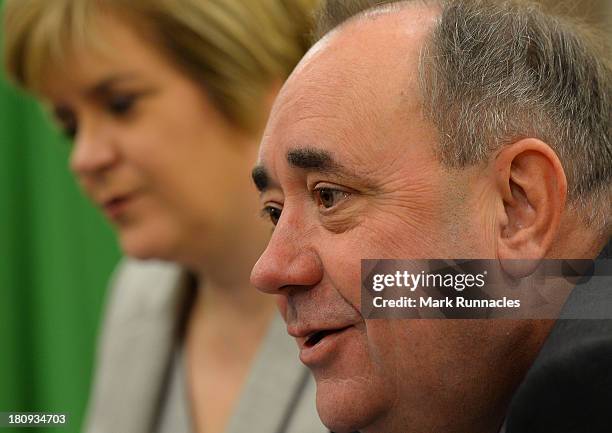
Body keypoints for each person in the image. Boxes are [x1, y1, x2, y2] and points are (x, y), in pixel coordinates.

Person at [248, 0, 611, 432]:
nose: (269, 270)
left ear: (518, 206)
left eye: (329, 196)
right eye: (274, 212)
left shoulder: (589, 390)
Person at [2, 1, 327, 433]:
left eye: (120, 104)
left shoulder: (392, 287)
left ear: (248, 76)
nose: (84, 157)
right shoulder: (137, 295)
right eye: (70, 125)